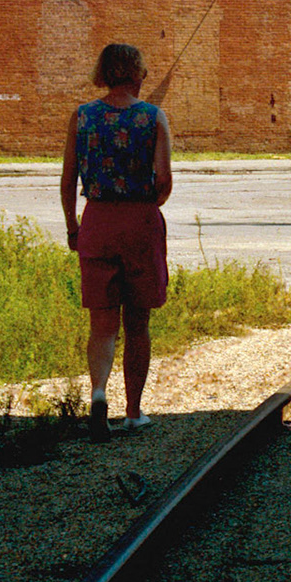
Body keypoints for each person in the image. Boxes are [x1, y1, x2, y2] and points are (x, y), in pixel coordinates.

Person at [60, 43, 173, 441]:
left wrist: (73, 227)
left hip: (97, 222)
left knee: (102, 321)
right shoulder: (153, 117)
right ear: (137, 74)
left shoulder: (83, 117)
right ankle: (134, 411)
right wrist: (143, 203)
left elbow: (68, 179)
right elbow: (164, 182)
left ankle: (97, 394)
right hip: (140, 221)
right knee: (137, 321)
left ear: (103, 73)